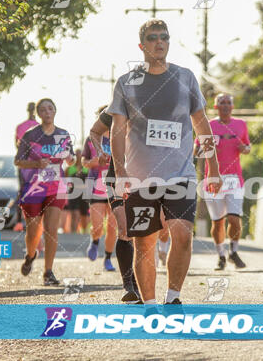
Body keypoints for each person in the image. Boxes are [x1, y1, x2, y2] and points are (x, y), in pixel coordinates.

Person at [109, 19, 222, 305]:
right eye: (152, 38)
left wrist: (214, 167)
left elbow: (201, 123)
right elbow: (118, 129)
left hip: (180, 175)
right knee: (144, 243)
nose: (159, 42)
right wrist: (120, 171)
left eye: (164, 37)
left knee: (182, 234)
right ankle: (149, 305)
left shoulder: (185, 78)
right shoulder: (127, 83)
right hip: (140, 177)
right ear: (141, 45)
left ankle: (173, 298)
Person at [15, 98, 75, 285]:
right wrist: (35, 164)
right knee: (33, 233)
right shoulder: (30, 135)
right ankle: (31, 255)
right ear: (39, 114)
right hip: (33, 187)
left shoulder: (63, 134)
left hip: (56, 186)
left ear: (55, 111)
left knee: (51, 230)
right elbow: (18, 161)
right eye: (43, 109)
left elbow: (71, 160)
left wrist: (70, 158)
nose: (47, 112)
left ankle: (48, 271)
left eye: (50, 108)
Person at [88, 107, 140, 303]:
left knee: (142, 233)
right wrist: (100, 150)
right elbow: (94, 131)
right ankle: (130, 286)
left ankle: (141, 284)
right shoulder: (116, 109)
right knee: (125, 229)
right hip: (115, 178)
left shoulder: (155, 107)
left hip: (145, 176)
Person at [194, 93, 250, 270]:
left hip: (234, 179)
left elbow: (248, 146)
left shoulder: (241, 124)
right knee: (218, 222)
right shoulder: (208, 125)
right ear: (216, 107)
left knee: (234, 218)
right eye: (221, 103)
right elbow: (197, 151)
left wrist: (245, 148)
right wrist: (203, 149)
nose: (225, 105)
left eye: (228, 103)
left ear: (232, 107)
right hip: (213, 179)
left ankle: (233, 251)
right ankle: (220, 255)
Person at [82, 106, 117, 272]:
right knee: (97, 227)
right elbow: (83, 162)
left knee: (112, 226)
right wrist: (93, 162)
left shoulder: (119, 137)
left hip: (115, 187)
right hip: (96, 186)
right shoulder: (91, 139)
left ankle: (108, 258)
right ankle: (95, 240)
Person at [14, 102, 40, 234]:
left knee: (23, 191)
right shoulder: (39, 127)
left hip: (24, 165)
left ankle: (20, 222)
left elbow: (17, 145)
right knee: (36, 191)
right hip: (36, 165)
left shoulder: (20, 127)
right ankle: (33, 221)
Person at [62, 149, 90, 233]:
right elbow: (65, 182)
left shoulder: (86, 168)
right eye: (77, 154)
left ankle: (83, 233)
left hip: (84, 195)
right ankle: (73, 234)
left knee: (84, 217)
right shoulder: (69, 169)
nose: (78, 156)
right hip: (73, 195)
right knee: (74, 214)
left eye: (80, 154)